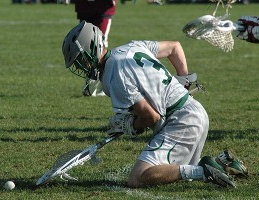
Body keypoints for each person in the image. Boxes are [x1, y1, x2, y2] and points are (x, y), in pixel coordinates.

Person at [61, 21, 247, 188]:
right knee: (173, 170)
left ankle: (204, 172)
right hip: (194, 111)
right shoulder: (132, 47)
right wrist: (184, 81)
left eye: (81, 60)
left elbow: (152, 116)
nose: (81, 67)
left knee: (138, 177)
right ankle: (225, 163)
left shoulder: (112, 74)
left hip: (181, 122)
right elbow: (175, 47)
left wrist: (128, 125)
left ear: (91, 50)